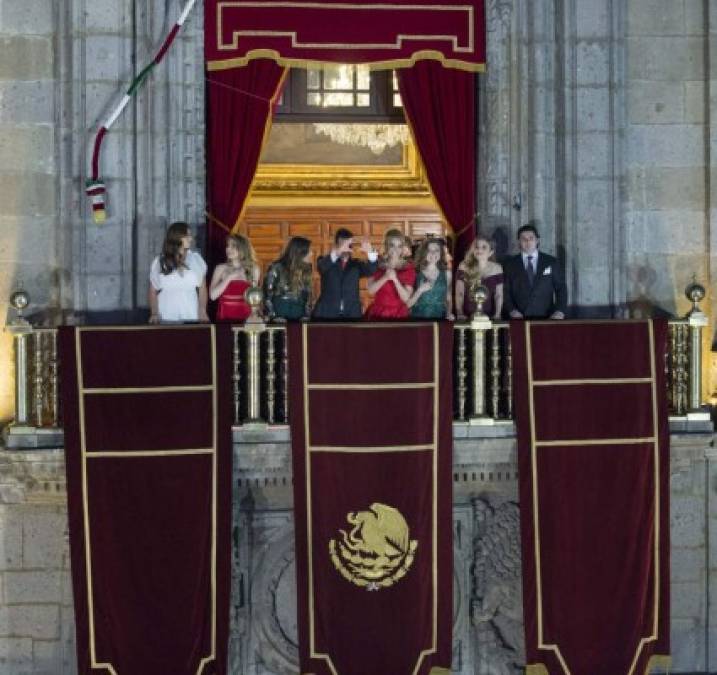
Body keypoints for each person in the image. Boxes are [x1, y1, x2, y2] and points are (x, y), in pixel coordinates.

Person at [503, 224, 567, 319]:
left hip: (548, 316)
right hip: (519, 317)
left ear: (537, 240)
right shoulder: (510, 264)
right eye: (523, 239)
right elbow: (505, 290)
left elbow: (561, 288)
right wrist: (512, 310)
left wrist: (560, 311)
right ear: (519, 242)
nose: (527, 241)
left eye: (531, 238)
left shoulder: (551, 261)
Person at [148, 222, 208, 323]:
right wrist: (154, 313)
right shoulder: (160, 261)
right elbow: (152, 291)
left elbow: (202, 289)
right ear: (177, 237)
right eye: (187, 236)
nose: (191, 239)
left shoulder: (196, 259)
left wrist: (202, 310)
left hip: (191, 314)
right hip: (166, 315)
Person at [313, 228, 378, 319]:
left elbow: (372, 270)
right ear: (336, 244)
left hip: (352, 314)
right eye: (343, 244)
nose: (346, 247)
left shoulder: (356, 264)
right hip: (327, 314)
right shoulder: (325, 260)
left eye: (349, 244)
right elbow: (321, 267)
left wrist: (370, 252)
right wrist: (338, 252)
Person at [365, 228, 416, 319]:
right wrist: (385, 277)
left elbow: (406, 298)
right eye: (392, 245)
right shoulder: (376, 263)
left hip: (399, 313)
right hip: (378, 312)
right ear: (386, 245)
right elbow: (370, 290)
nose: (395, 249)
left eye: (399, 246)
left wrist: (395, 280)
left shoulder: (408, 267)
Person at [209, 234, 260, 321]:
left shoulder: (254, 269)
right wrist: (229, 277)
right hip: (225, 316)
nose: (228, 249)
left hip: (246, 316)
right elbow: (213, 296)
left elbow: (254, 298)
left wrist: (255, 317)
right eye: (228, 246)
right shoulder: (220, 268)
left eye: (233, 246)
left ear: (242, 248)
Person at [263, 236, 313, 321]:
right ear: (300, 252)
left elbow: (307, 296)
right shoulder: (276, 267)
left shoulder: (307, 269)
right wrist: (273, 316)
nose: (311, 253)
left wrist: (306, 315)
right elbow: (267, 294)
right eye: (309, 251)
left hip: (299, 318)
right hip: (279, 317)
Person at [455, 235, 504, 319]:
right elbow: (459, 292)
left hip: (490, 316)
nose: (479, 250)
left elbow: (498, 295)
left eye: (484, 247)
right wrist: (459, 313)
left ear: (491, 252)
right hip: (467, 316)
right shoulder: (463, 266)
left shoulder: (497, 268)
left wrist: (497, 314)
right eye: (477, 247)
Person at [407, 237, 453, 319]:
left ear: (441, 253)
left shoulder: (447, 273)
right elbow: (408, 304)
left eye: (436, 250)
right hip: (419, 319)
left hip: (440, 318)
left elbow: (448, 298)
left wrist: (449, 314)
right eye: (429, 250)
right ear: (424, 253)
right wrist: (419, 290)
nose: (433, 253)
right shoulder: (415, 273)